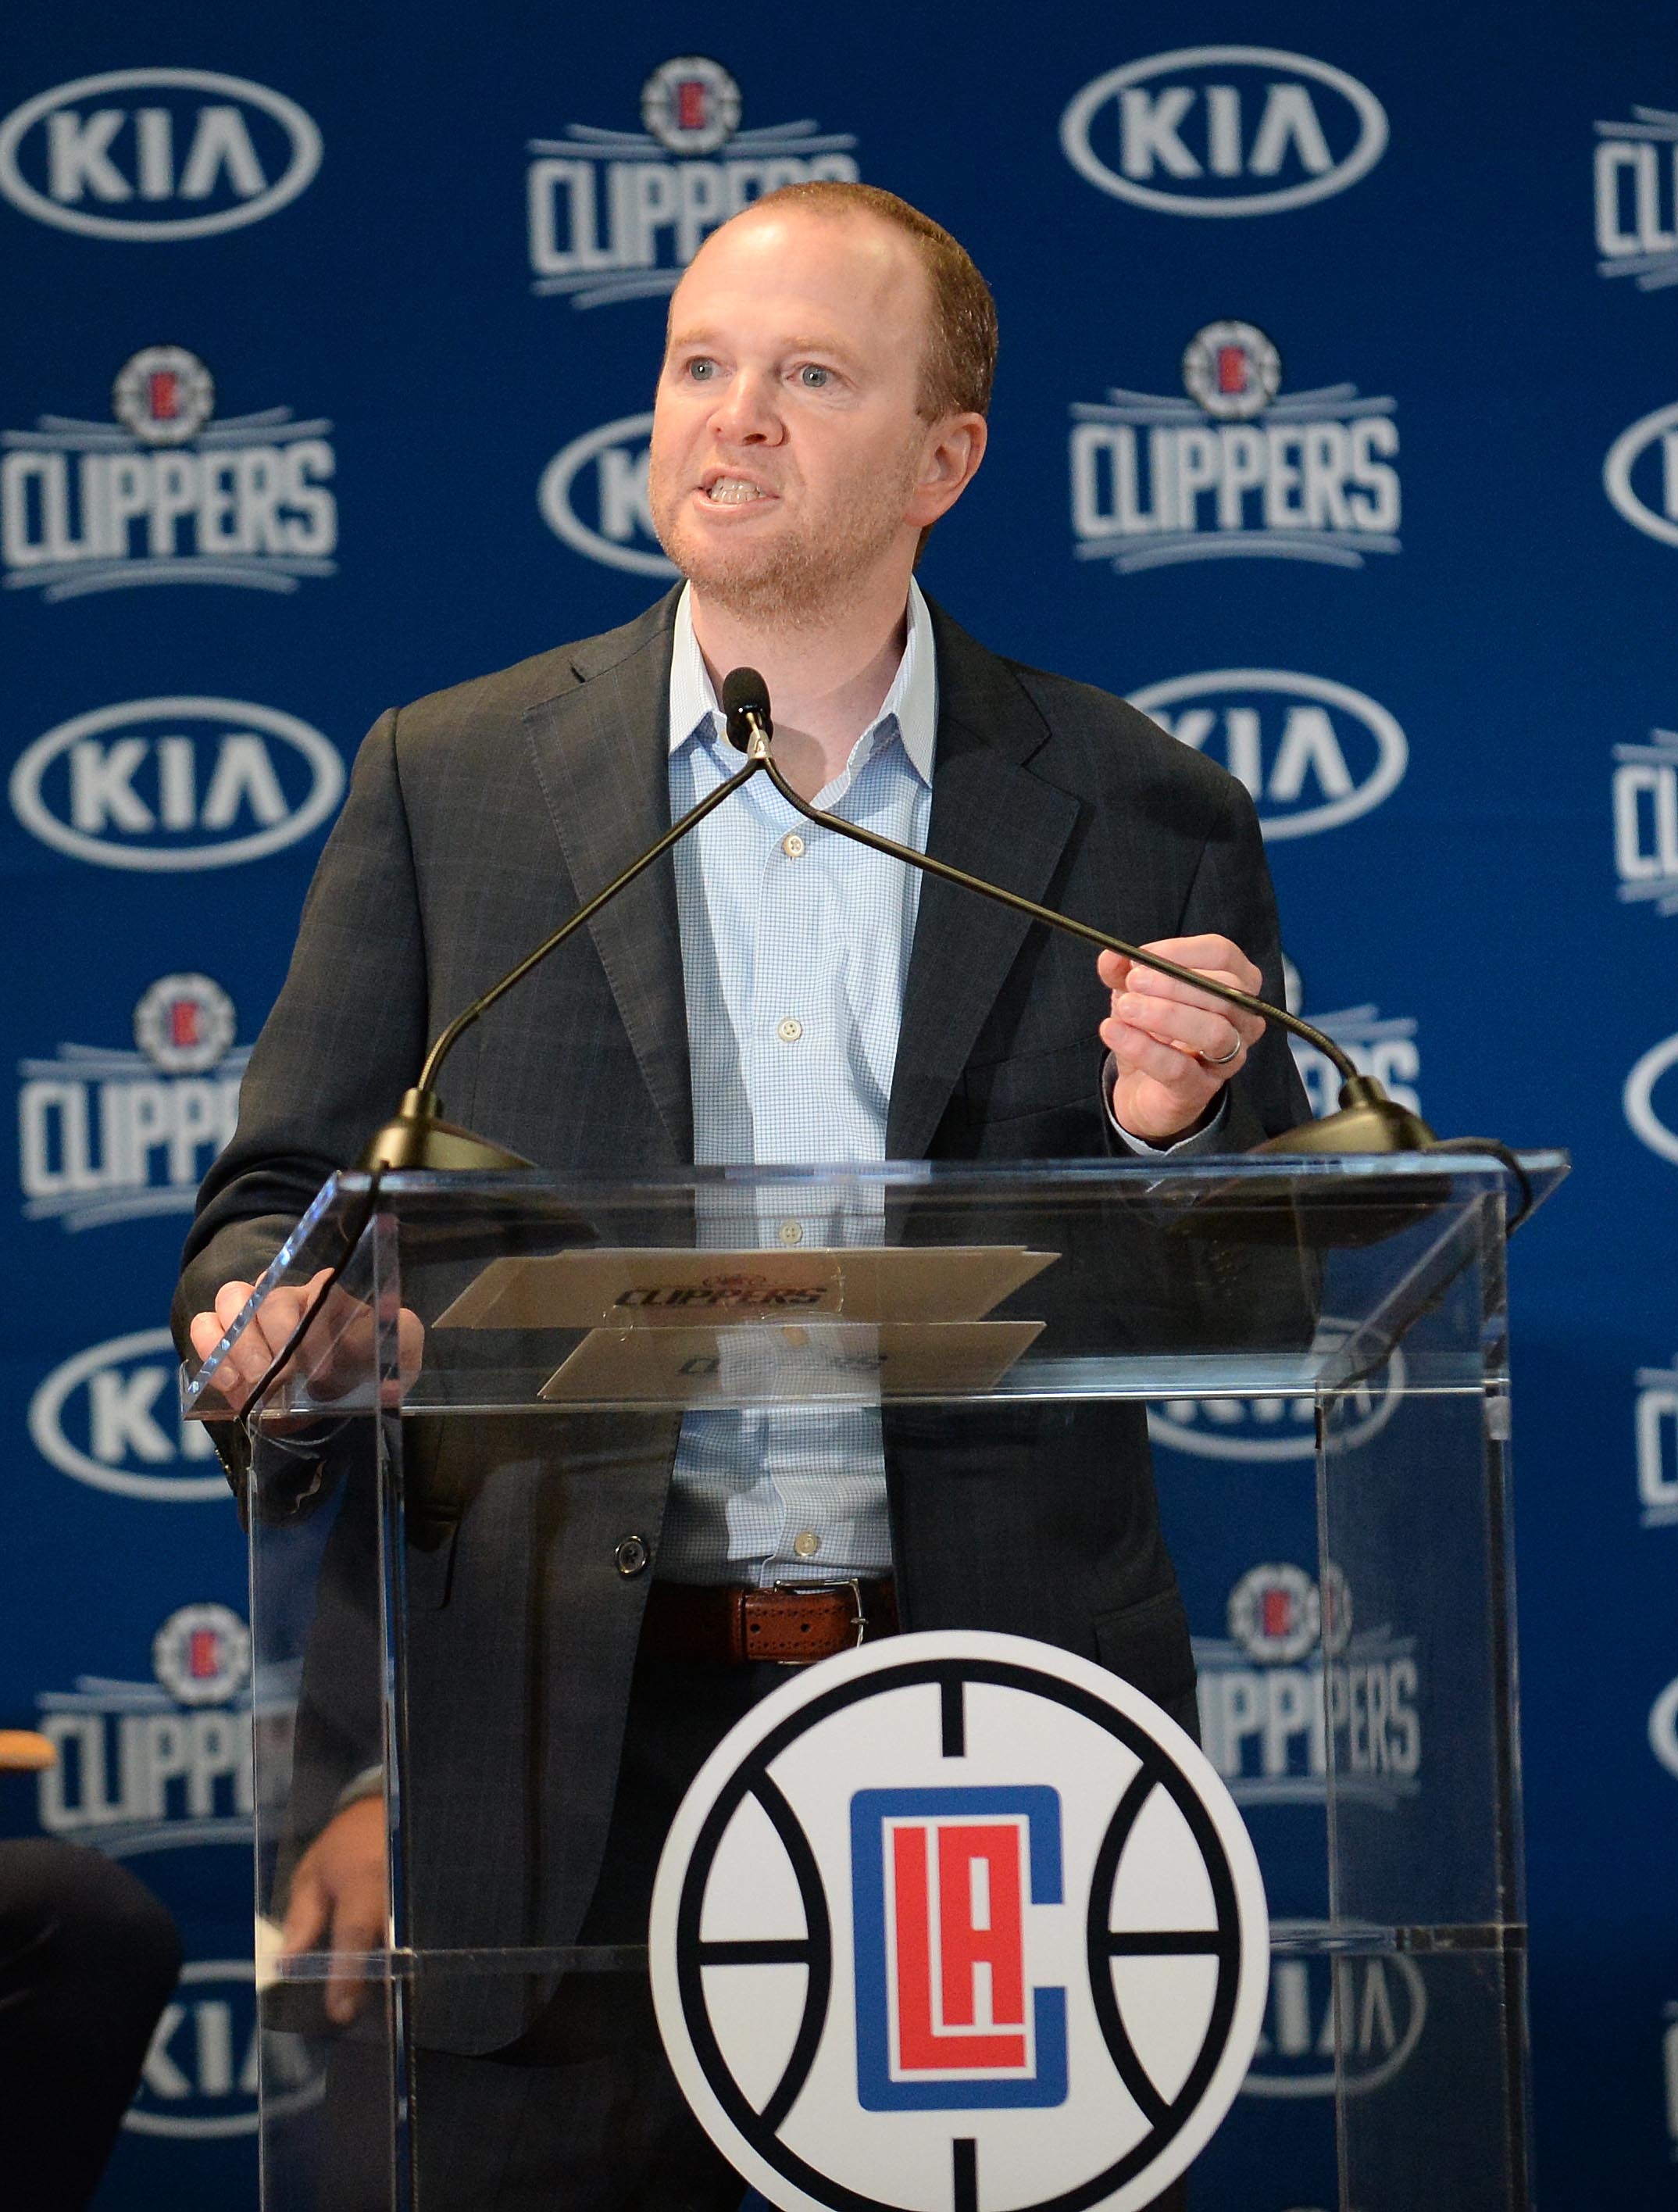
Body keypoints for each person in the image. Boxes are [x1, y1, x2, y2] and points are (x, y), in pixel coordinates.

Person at [176, 183, 1309, 2210]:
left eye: (810, 375)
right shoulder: (453, 779)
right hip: (554, 1746)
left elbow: (1265, 1296)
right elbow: (282, 1193)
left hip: (976, 1743)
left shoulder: (1143, 808)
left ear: (944, 457)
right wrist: (287, 1318)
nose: (735, 415)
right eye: (699, 363)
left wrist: (1167, 1134)